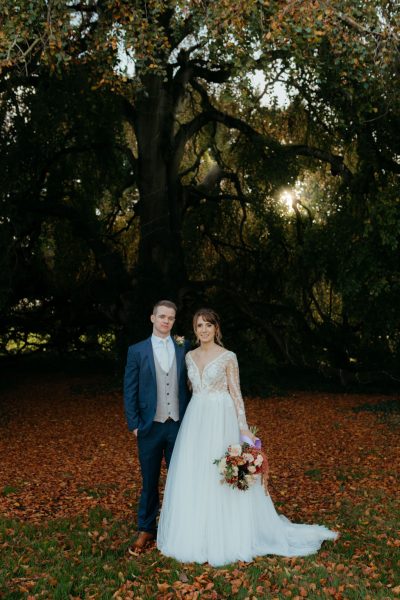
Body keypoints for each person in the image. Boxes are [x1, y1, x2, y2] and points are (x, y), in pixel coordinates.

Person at [157, 308, 338, 567]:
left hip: (222, 418)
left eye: (209, 325)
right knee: (196, 472)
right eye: (199, 325)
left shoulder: (228, 357)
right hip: (196, 420)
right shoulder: (189, 356)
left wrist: (243, 429)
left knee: (225, 473)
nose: (204, 329)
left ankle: (230, 533)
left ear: (216, 328)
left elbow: (236, 393)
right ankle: (197, 533)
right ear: (195, 330)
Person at [124, 300, 190, 552]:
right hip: (149, 427)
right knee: (149, 480)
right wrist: (134, 424)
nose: (166, 321)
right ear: (152, 318)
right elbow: (130, 389)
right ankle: (146, 528)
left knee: (179, 479)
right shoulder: (137, 351)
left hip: (177, 426)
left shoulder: (184, 347)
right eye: (162, 316)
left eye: (171, 318)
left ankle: (179, 527)